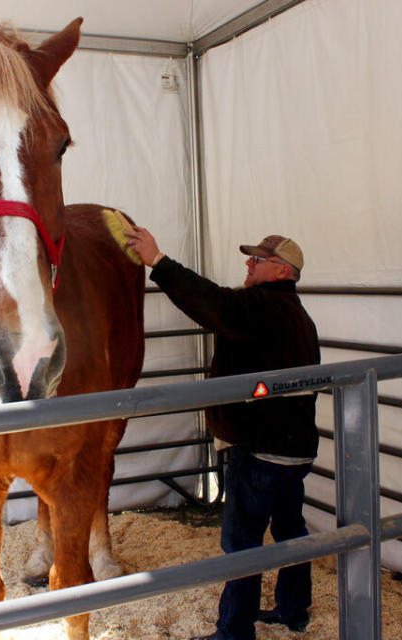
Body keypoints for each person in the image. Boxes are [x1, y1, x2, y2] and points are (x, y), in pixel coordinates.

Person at [126, 228, 320, 640]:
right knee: (291, 530)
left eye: (258, 260)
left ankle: (234, 632)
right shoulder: (297, 314)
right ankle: (293, 610)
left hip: (261, 449)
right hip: (296, 448)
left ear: (282, 270)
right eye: (250, 257)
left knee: (242, 541)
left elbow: (213, 303)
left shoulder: (263, 306)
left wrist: (158, 262)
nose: (248, 263)